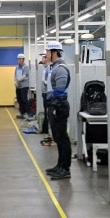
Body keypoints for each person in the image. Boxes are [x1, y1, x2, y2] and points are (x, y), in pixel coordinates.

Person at [43, 41, 71, 180]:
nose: (46, 54)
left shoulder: (60, 69)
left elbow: (60, 91)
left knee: (63, 138)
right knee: (58, 138)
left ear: (54, 52)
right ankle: (60, 165)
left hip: (59, 107)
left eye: (48, 52)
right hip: (54, 106)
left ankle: (65, 169)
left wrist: (53, 107)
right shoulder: (53, 67)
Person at [39, 51, 53, 146]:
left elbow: (47, 81)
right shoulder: (45, 67)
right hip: (45, 93)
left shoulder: (49, 68)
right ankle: (47, 131)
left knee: (48, 113)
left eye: (44, 57)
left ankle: (49, 132)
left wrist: (46, 83)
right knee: (46, 112)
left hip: (48, 93)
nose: (43, 59)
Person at [14, 53, 31, 119]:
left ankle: (27, 113)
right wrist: (15, 81)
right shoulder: (17, 67)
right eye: (18, 59)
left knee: (24, 99)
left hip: (24, 86)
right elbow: (15, 75)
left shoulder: (25, 67)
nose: (19, 60)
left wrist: (18, 80)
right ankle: (22, 112)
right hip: (18, 86)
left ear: (23, 59)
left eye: (20, 59)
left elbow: (24, 75)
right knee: (19, 99)